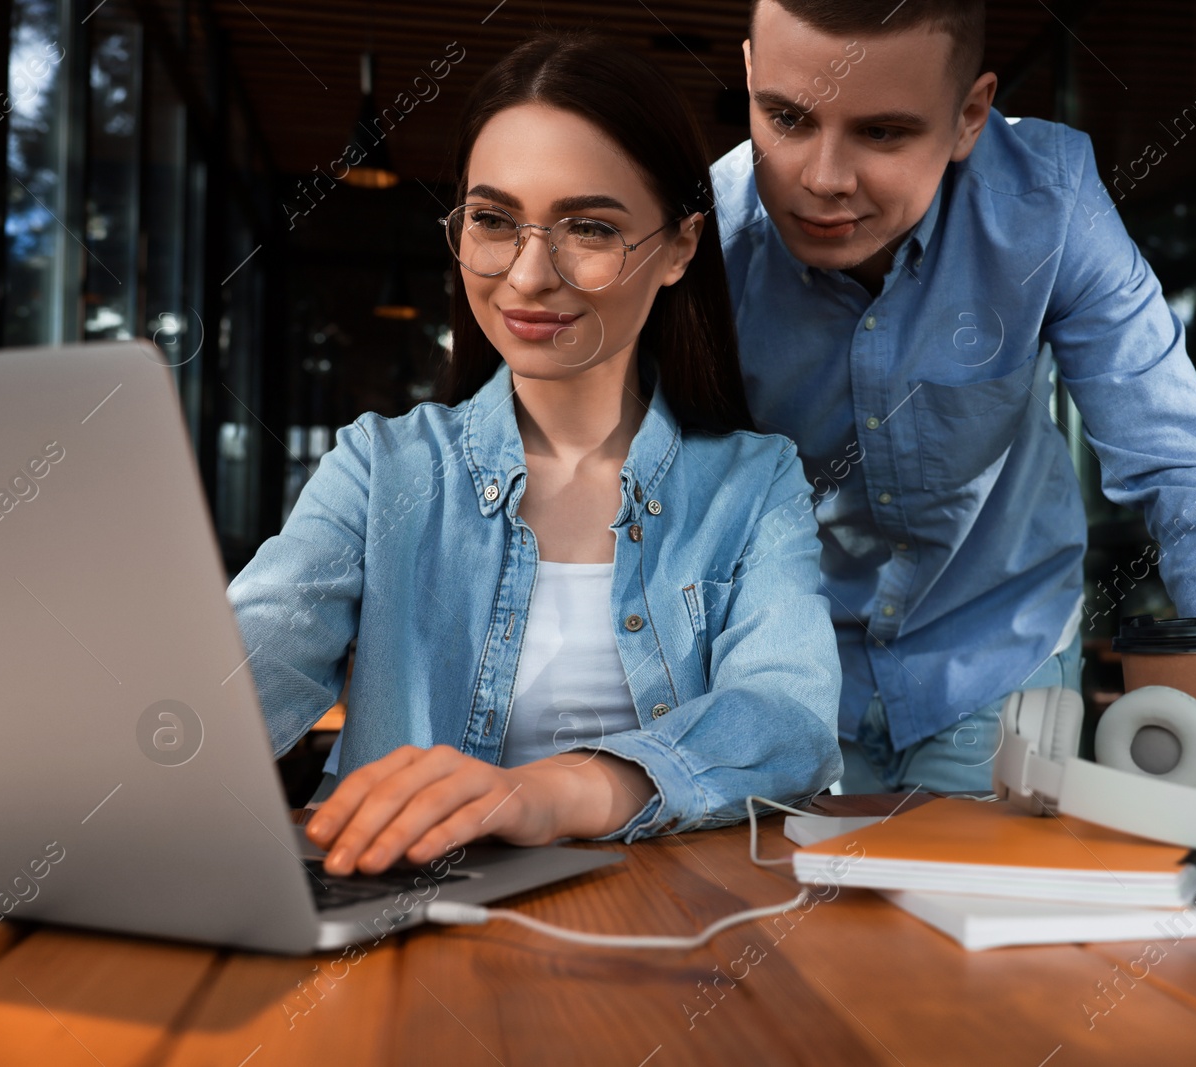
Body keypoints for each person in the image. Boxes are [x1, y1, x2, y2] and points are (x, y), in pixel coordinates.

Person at [227, 31, 842, 878]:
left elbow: (788, 718)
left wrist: (556, 792)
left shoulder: (754, 483)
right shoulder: (382, 470)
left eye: (587, 227)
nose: (525, 276)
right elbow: (244, 669)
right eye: (492, 220)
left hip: (663, 941)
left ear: (679, 246)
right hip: (395, 933)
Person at [709, 0, 1196, 794]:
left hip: (999, 659)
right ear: (751, 79)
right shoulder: (701, 247)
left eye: (883, 133)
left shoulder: (1052, 204)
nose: (823, 179)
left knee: (1000, 912)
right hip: (788, 670)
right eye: (788, 118)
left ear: (970, 116)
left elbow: (1183, 468)